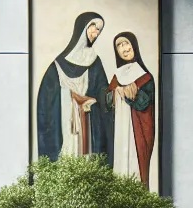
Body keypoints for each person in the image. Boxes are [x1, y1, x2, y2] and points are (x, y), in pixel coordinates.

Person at [35, 12, 112, 161]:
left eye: (99, 30)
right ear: (81, 28)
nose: (96, 33)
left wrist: (94, 100)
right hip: (64, 125)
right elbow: (46, 100)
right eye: (93, 27)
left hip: (87, 122)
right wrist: (71, 97)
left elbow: (103, 91)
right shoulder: (57, 65)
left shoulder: (95, 62)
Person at [107, 31, 157, 186]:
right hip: (120, 131)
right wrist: (116, 92)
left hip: (137, 132)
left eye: (126, 43)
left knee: (136, 170)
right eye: (119, 45)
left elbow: (144, 104)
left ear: (134, 46)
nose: (124, 48)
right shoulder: (117, 76)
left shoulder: (145, 77)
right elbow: (107, 102)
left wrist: (130, 93)